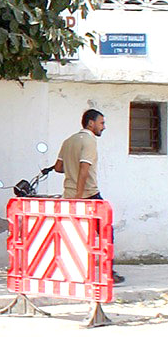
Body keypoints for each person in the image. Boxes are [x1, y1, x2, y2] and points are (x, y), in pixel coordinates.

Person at [52, 107, 127, 284]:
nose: (104, 127)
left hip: (68, 195)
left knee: (73, 235)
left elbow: (58, 168)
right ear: (91, 123)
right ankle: (108, 272)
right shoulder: (90, 141)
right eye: (102, 123)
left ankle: (69, 272)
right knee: (106, 233)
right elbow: (84, 170)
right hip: (88, 195)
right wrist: (80, 196)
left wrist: (71, 171)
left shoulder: (69, 141)